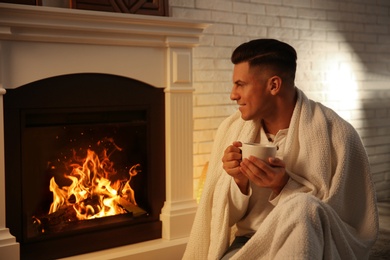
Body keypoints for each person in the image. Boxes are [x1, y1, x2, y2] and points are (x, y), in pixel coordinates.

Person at [183, 39, 378, 259]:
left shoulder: (338, 134)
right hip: (249, 241)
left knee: (303, 207)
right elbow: (221, 219)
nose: (233, 94)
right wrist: (239, 180)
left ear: (274, 85)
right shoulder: (230, 130)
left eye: (240, 84)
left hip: (314, 244)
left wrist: (283, 186)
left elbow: (350, 225)